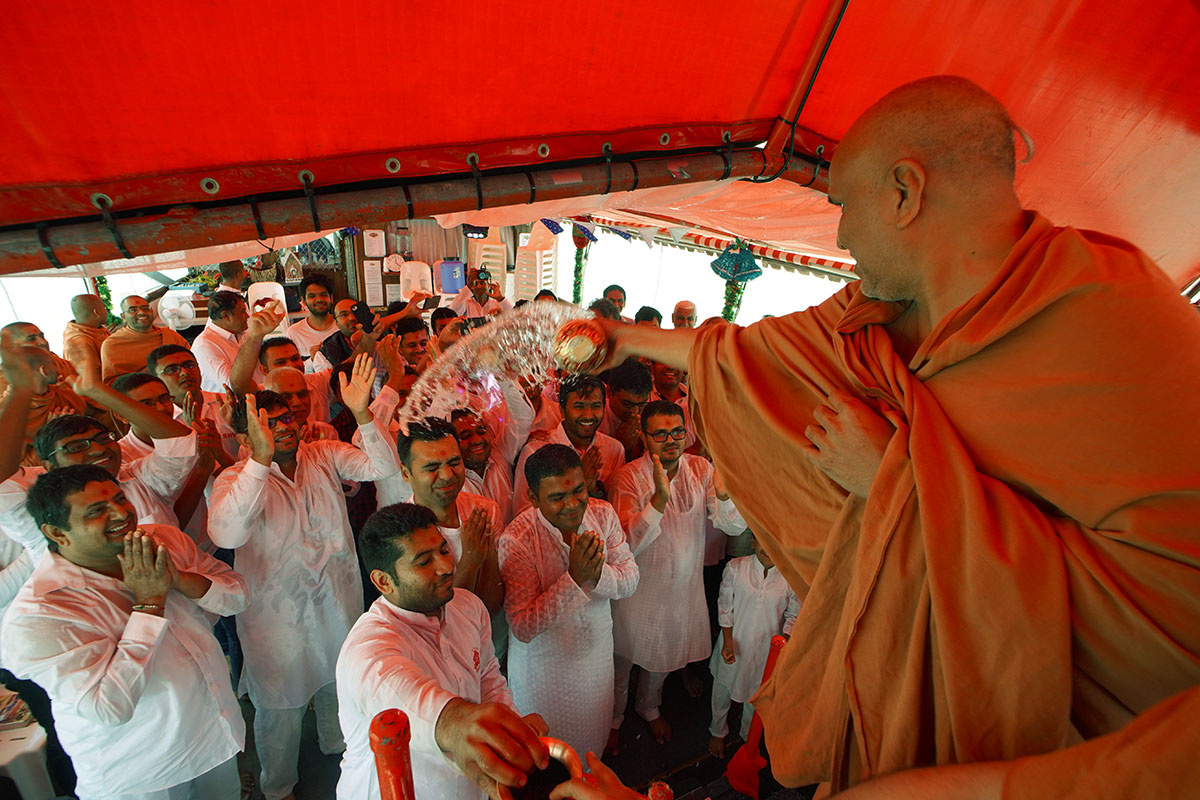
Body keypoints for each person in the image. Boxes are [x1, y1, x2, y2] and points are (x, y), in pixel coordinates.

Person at [592, 75, 1200, 790]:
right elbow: (748, 354)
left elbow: (1164, 635)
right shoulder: (884, 314)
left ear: (906, 193)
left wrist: (893, 478)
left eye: (845, 206)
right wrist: (621, 338)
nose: (842, 236)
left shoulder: (1113, 320)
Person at [208, 355, 400, 800]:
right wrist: (260, 461)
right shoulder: (234, 479)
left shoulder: (323, 454)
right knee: (280, 709)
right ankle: (279, 788)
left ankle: (338, 749)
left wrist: (363, 414)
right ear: (245, 437)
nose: (284, 426)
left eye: (286, 418)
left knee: (339, 684)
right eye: (267, 423)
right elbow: (226, 533)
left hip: (336, 603)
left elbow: (383, 468)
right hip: (277, 623)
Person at [0, 466, 248, 800]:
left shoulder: (163, 541)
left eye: (120, 499)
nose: (120, 514)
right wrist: (149, 603)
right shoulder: (39, 615)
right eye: (96, 511)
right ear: (57, 533)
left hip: (214, 734)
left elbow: (238, 596)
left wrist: (178, 579)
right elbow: (108, 707)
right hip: (143, 772)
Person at [335, 502, 550, 800]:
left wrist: (510, 728)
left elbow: (488, 679)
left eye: (444, 550)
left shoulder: (468, 606)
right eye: (424, 561)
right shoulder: (368, 649)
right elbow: (410, 700)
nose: (447, 567)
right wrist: (457, 724)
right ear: (384, 581)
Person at [609, 401, 744, 748]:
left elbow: (732, 525)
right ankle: (614, 719)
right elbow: (625, 545)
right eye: (660, 434)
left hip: (682, 592)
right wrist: (658, 501)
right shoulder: (627, 477)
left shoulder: (700, 468)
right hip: (638, 593)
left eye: (677, 432)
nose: (671, 440)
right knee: (621, 661)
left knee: (663, 659)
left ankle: (648, 707)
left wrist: (725, 493)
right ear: (643, 437)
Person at [498, 444, 638, 761]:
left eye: (578, 491)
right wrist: (574, 579)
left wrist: (595, 574)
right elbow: (522, 626)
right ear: (533, 498)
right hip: (543, 672)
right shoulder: (517, 540)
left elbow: (631, 579)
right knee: (548, 759)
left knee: (591, 748)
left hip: (595, 658)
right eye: (558, 497)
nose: (573, 505)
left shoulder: (602, 514)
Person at [0, 352, 198, 561]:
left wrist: (96, 390)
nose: (97, 450)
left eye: (103, 439)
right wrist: (21, 390)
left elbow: (179, 442)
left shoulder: (139, 477)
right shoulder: (36, 505)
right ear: (49, 466)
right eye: (76, 447)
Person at [380, 418, 505, 616]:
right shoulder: (400, 535)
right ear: (405, 473)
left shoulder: (485, 511)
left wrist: (487, 554)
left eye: (454, 463)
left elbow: (492, 606)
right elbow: (437, 617)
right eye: (432, 468)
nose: (447, 475)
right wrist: (470, 561)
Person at [707, 532, 799, 758]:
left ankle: (748, 738)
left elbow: (793, 615)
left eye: (775, 543)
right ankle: (717, 730)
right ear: (752, 541)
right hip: (734, 642)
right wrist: (728, 642)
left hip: (765, 650)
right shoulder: (736, 568)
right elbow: (725, 607)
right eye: (763, 541)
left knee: (755, 695)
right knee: (722, 689)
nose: (768, 548)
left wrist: (784, 643)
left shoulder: (790, 577)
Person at [511, 375, 624, 518]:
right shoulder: (535, 451)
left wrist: (595, 490)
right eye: (579, 407)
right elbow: (523, 516)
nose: (588, 415)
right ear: (562, 410)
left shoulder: (614, 449)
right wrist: (580, 483)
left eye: (595, 406)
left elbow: (617, 512)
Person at [451, 380, 533, 525]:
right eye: (465, 436)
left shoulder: (500, 452)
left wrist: (504, 377)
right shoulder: (450, 478)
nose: (477, 440)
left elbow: (524, 417)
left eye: (481, 431)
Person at [0, 330, 88, 464]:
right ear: (44, 371)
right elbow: (15, 466)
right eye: (54, 364)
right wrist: (51, 433)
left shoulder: (66, 396)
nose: (59, 368)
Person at [147, 343, 239, 461]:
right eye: (172, 370)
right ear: (156, 379)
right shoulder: (160, 418)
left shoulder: (228, 403)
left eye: (190, 366)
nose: (184, 372)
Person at [100, 295, 188, 380]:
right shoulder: (113, 344)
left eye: (145, 308)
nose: (141, 312)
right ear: (123, 316)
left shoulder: (170, 335)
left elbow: (190, 362)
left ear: (152, 311)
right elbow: (113, 382)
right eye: (133, 310)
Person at [192, 290, 251, 393]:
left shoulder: (242, 334)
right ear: (225, 316)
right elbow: (231, 386)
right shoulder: (204, 345)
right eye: (242, 312)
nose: (247, 316)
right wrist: (255, 338)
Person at [599, 359, 652, 462]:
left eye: (641, 404)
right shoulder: (595, 418)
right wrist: (619, 445)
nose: (635, 411)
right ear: (609, 392)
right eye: (627, 404)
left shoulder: (651, 415)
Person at [285, 273, 338, 360]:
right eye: (312, 296)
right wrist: (312, 360)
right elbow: (291, 366)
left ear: (331, 298)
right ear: (303, 301)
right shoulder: (293, 333)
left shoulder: (342, 328)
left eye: (323, 295)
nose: (319, 300)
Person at [61, 294, 111, 374]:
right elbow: (89, 377)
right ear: (96, 312)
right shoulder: (78, 342)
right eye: (104, 307)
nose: (106, 311)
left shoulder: (96, 329)